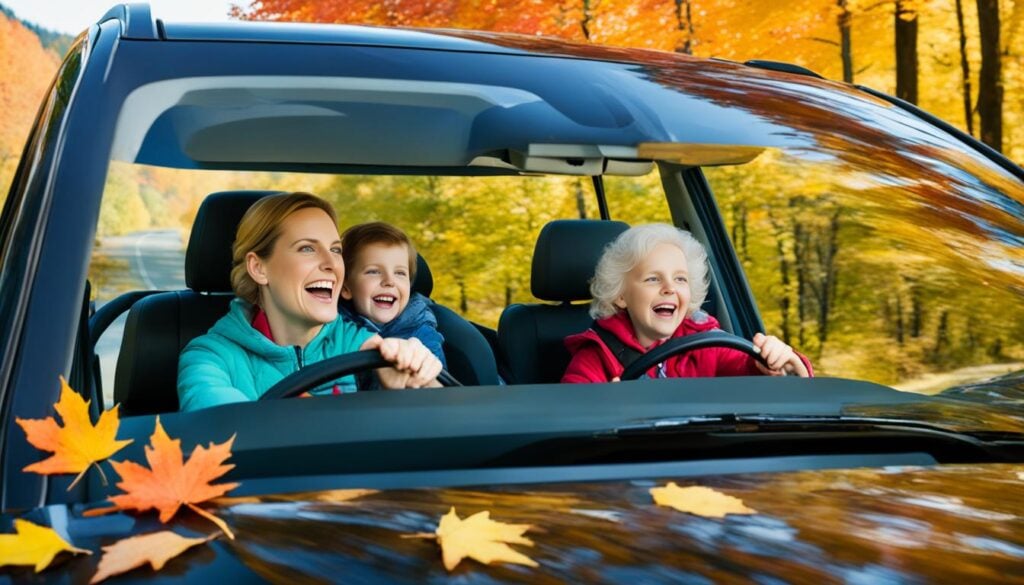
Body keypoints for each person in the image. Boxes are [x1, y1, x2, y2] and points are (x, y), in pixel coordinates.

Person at [178, 192, 442, 411]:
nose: (332, 264)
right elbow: (221, 439)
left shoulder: (360, 342)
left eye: (336, 250)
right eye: (307, 248)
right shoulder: (210, 358)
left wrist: (416, 386)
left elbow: (444, 434)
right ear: (259, 268)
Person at [562, 223, 812, 383]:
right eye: (652, 278)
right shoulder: (595, 357)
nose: (669, 288)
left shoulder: (706, 343)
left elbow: (751, 373)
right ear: (621, 296)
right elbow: (568, 424)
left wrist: (782, 365)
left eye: (680, 279)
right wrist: (601, 410)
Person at [338, 222, 446, 368]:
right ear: (346, 288)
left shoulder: (421, 331)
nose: (389, 281)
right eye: (373, 272)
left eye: (400, 273)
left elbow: (438, 384)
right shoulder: (333, 330)